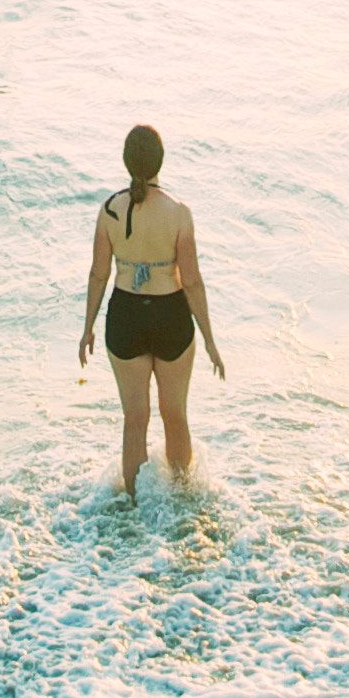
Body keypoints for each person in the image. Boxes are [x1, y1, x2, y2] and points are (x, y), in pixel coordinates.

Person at [76, 121, 224, 495]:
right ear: (161, 161)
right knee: (175, 417)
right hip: (170, 316)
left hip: (125, 316)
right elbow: (190, 281)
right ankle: (180, 502)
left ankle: (133, 508)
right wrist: (208, 339)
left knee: (134, 421)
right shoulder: (178, 213)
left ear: (126, 162)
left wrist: (88, 327)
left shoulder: (109, 209)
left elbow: (98, 274)